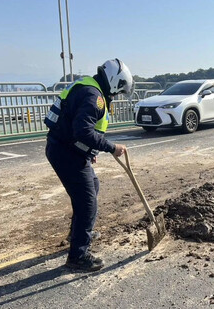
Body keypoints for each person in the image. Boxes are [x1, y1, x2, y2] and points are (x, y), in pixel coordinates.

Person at [44, 58, 135, 271]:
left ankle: (77, 231)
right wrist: (112, 147)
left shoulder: (88, 86)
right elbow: (82, 131)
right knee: (87, 203)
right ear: (113, 82)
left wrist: (90, 150)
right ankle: (78, 256)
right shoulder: (94, 97)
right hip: (66, 153)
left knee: (92, 187)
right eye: (119, 90)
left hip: (66, 148)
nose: (117, 94)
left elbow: (75, 126)